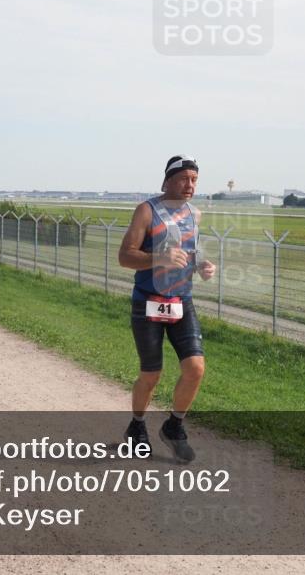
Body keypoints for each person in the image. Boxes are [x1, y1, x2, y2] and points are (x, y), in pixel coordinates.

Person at [118, 155, 215, 463]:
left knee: (195, 368)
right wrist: (158, 258)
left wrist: (202, 265)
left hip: (181, 300)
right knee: (151, 375)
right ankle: (137, 426)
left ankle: (174, 426)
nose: (190, 185)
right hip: (148, 300)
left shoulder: (194, 214)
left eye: (195, 179)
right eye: (184, 178)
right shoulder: (147, 211)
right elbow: (125, 256)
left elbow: (191, 251)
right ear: (168, 181)